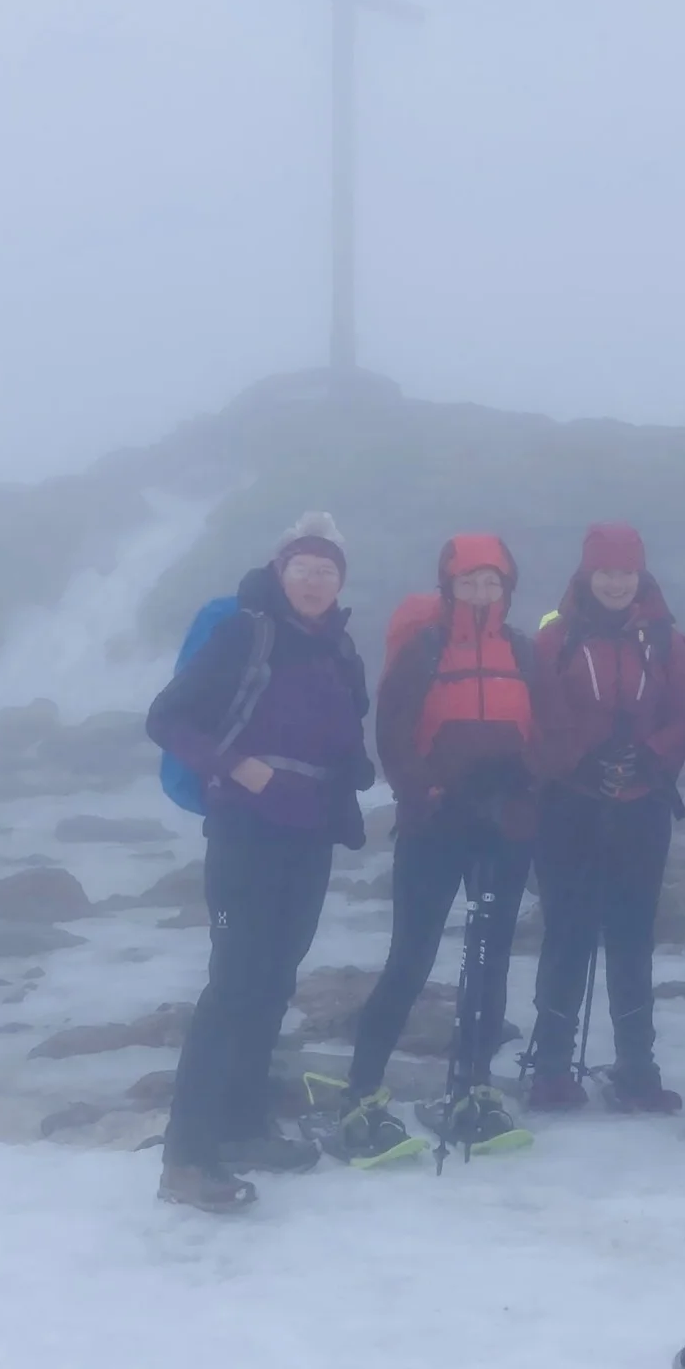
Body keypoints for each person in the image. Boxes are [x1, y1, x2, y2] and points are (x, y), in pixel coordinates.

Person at [146, 513, 373, 1212]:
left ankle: (243, 1125)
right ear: (281, 571)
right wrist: (237, 767)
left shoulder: (339, 650)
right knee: (232, 986)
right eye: (304, 568)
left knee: (274, 982)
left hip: (307, 837)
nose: (315, 580)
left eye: (328, 570)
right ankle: (186, 1159)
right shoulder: (246, 634)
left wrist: (354, 773)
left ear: (340, 583)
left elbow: (341, 738)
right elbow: (167, 717)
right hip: (244, 831)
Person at [344, 535, 539, 1154]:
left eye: (492, 582)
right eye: (468, 582)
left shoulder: (524, 652)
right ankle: (362, 1090)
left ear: (507, 588)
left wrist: (522, 786)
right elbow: (392, 734)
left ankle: (474, 1086)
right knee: (411, 957)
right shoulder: (424, 649)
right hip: (435, 826)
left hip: (503, 828)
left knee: (490, 960)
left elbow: (552, 732)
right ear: (448, 587)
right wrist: (430, 791)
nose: (481, 593)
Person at [525, 523, 685, 1114]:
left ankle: (636, 1066)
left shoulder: (668, 641)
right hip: (569, 803)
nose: (616, 582)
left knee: (632, 935)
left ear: (640, 575)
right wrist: (580, 761)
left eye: (626, 572)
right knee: (566, 932)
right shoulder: (555, 639)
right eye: (606, 571)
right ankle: (551, 1067)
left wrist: (651, 756)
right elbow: (539, 712)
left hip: (641, 804)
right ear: (587, 574)